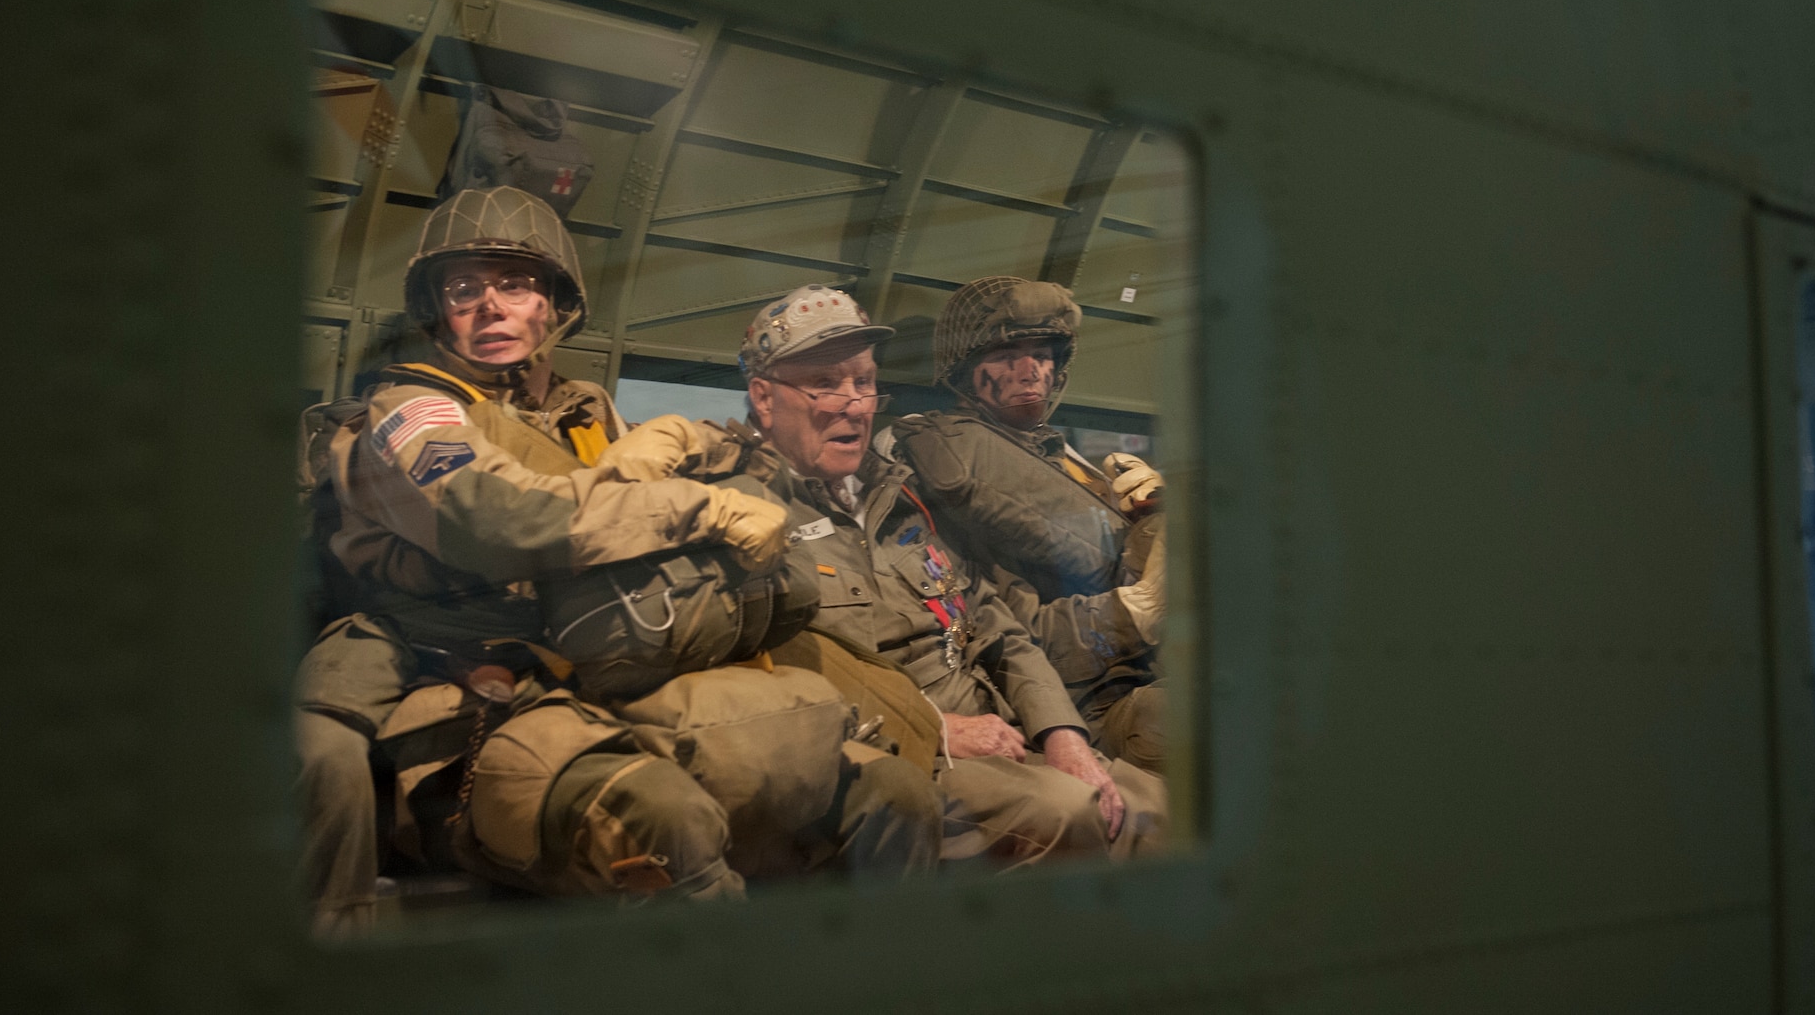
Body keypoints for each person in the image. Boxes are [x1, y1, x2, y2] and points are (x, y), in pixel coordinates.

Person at [295, 189, 937, 935]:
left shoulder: (586, 410)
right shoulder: (413, 410)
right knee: (324, 757)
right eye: (463, 289)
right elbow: (494, 519)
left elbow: (656, 503)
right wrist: (700, 509)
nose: (489, 307)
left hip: (594, 654)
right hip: (437, 647)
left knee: (888, 790)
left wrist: (701, 447)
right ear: (437, 310)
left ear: (555, 304)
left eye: (515, 284)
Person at [734, 284, 1166, 865]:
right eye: (825, 384)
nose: (854, 404)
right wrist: (935, 728)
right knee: (1070, 815)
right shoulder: (744, 519)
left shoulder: (896, 495)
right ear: (764, 399)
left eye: (863, 382)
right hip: (898, 756)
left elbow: (997, 627)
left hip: (1006, 729)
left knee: (1161, 812)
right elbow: (765, 688)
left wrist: (1061, 734)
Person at [883, 276, 1168, 772]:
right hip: (1084, 709)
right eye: (1007, 353)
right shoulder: (952, 472)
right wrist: (1137, 610)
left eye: (1042, 353)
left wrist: (1153, 519)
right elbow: (1012, 638)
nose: (1030, 370)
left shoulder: (1070, 464)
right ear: (965, 368)